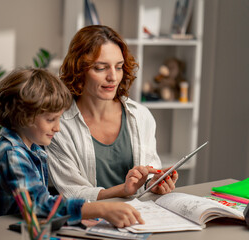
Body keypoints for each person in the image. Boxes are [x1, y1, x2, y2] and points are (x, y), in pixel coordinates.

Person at [0, 68, 144, 227]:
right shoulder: (12, 154)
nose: (58, 128)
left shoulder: (33, 148)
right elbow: (39, 205)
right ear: (23, 117)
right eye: (51, 120)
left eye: (59, 119)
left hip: (26, 228)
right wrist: (101, 209)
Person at [46, 25, 178, 201]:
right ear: (79, 70)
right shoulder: (58, 126)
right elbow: (73, 194)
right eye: (101, 68)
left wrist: (153, 184)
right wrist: (124, 190)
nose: (113, 77)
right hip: (90, 223)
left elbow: (148, 177)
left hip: (139, 219)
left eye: (119, 67)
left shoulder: (141, 116)